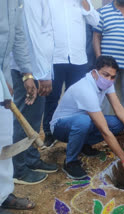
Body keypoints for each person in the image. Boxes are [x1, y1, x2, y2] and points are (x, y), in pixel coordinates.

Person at [50, 56, 124, 180]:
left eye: (112, 77)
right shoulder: (85, 89)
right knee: (84, 122)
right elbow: (104, 131)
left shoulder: (107, 83)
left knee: (118, 123)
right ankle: (71, 162)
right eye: (105, 75)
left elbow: (118, 107)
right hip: (61, 126)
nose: (109, 79)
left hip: (83, 122)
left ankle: (84, 144)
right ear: (94, 72)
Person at [10, 0, 58, 185]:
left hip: (38, 68)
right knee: (23, 119)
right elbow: (32, 37)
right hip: (29, 70)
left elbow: (46, 36)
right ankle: (18, 169)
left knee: (33, 118)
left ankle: (30, 159)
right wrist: (41, 74)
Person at [43, 0, 100, 148]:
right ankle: (49, 133)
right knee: (52, 97)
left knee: (78, 99)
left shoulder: (81, 2)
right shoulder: (48, 2)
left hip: (78, 59)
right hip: (55, 57)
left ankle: (76, 133)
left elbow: (95, 20)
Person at [0, 0, 35, 212]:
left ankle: (3, 194)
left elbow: (18, 35)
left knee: (4, 139)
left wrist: (26, 73)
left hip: (3, 77)